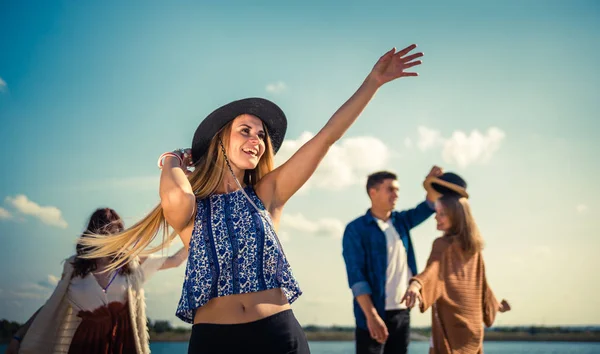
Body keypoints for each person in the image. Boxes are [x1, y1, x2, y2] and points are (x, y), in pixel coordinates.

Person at [78, 44, 424, 354]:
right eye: (245, 130)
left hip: (279, 335)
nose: (256, 140)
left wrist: (372, 83)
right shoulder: (193, 207)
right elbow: (175, 192)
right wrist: (173, 159)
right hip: (215, 342)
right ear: (221, 140)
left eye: (261, 135)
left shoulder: (267, 194)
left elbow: (326, 137)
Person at [5, 208, 188, 354]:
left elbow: (175, 260)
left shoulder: (132, 263)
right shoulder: (74, 267)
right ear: (93, 234)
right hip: (85, 345)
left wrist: (194, 231)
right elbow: (51, 305)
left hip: (124, 343)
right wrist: (18, 337)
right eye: (104, 231)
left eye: (114, 232)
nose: (109, 237)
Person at [402, 172, 511, 354]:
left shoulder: (443, 245)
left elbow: (432, 271)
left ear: (456, 216)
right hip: (473, 330)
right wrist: (495, 305)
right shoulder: (474, 249)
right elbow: (482, 287)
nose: (436, 217)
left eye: (442, 214)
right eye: (437, 213)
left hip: (451, 330)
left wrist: (415, 284)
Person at [342, 167, 442, 354]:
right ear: (373, 192)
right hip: (372, 315)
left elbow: (428, 206)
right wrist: (371, 316)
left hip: (402, 312)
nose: (396, 194)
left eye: (397, 190)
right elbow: (356, 277)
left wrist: (430, 184)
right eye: (391, 189)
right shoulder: (355, 229)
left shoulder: (401, 221)